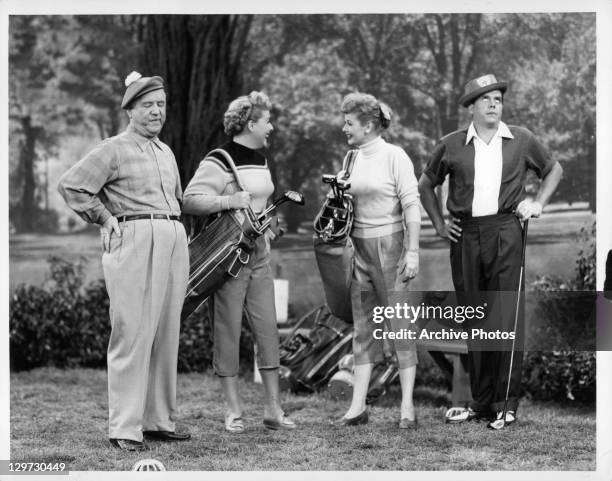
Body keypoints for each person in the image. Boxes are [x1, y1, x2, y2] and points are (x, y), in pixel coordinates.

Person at [418, 74, 563, 428]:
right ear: (471, 106)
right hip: (466, 235)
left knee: (505, 316)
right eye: (486, 99)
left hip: (506, 230)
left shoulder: (521, 139)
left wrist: (538, 202)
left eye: (498, 98)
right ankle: (481, 403)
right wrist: (438, 224)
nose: (494, 104)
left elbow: (553, 169)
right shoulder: (451, 144)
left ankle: (506, 404)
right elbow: (426, 184)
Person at [57, 72, 191, 450]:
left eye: (161, 105)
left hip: (171, 236)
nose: (155, 111)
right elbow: (72, 184)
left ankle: (158, 420)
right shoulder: (113, 148)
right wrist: (103, 216)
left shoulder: (166, 152)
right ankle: (124, 428)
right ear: (130, 109)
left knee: (166, 333)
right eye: (147, 105)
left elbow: (178, 201)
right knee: (132, 332)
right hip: (134, 238)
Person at [182, 91, 295, 433]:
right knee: (227, 330)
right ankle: (233, 411)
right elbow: (189, 200)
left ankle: (273, 410)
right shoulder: (219, 160)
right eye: (267, 121)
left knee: (268, 330)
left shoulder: (260, 159)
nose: (271, 126)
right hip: (229, 258)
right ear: (250, 124)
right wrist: (230, 199)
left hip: (259, 252)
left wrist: (272, 225)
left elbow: (259, 201)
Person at [336, 92, 421, 429]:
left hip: (391, 246)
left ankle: (407, 407)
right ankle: (357, 407)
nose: (344, 127)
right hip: (359, 246)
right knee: (363, 328)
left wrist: (412, 250)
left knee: (400, 326)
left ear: (368, 125)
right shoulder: (350, 158)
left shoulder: (394, 156)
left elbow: (411, 203)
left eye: (349, 122)